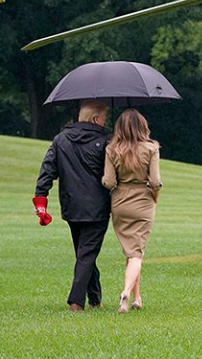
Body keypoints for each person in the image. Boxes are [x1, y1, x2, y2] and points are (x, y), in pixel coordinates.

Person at [34, 100, 111, 312]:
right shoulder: (106, 141)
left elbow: (47, 169)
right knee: (86, 253)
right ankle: (76, 302)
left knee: (84, 252)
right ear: (96, 119)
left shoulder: (60, 139)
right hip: (97, 207)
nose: (106, 121)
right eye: (104, 117)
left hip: (71, 205)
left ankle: (95, 297)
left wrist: (41, 196)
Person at [101, 108, 162, 314]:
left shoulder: (112, 149)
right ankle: (126, 293)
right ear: (142, 126)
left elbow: (109, 182)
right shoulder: (151, 148)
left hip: (120, 202)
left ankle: (137, 298)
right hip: (143, 201)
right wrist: (155, 197)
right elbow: (155, 182)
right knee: (136, 252)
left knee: (132, 251)